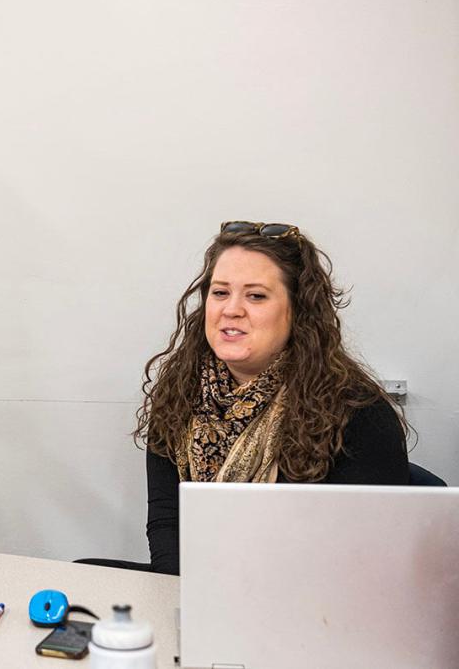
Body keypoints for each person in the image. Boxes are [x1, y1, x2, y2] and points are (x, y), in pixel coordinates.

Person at [138, 221, 409, 575]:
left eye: (256, 296)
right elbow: (166, 520)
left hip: (307, 606)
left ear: (297, 311)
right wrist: (186, 601)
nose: (231, 309)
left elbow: (367, 560)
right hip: (196, 589)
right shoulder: (179, 392)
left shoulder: (359, 413)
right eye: (220, 293)